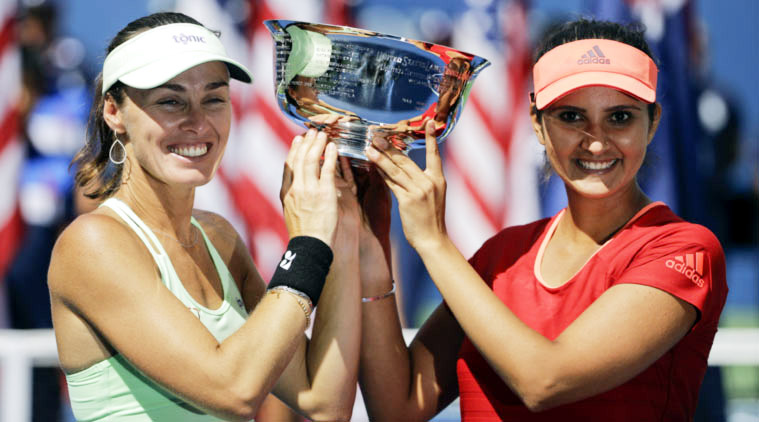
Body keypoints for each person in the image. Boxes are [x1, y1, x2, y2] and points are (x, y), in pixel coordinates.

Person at [356, 18, 728, 421]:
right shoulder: (502, 254)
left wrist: (433, 242)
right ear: (538, 123)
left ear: (652, 123)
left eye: (620, 117)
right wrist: (375, 250)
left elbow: (544, 381)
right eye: (571, 116)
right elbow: (396, 407)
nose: (597, 140)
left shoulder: (686, 250)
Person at [47, 12, 362, 421]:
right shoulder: (93, 243)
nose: (197, 122)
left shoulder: (219, 237)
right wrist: (307, 247)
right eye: (170, 101)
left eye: (214, 98)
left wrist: (343, 237)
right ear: (114, 112)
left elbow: (325, 402)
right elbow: (234, 390)